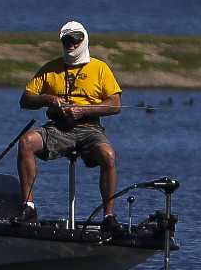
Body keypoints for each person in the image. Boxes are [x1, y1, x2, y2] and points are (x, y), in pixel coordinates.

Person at [16, 19, 122, 224]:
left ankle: (109, 216)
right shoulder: (50, 68)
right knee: (26, 142)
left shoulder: (100, 68)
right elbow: (26, 99)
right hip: (58, 128)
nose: (71, 44)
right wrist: (49, 100)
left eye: (75, 40)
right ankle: (28, 207)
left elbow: (115, 104)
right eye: (66, 41)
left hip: (89, 128)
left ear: (84, 40)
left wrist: (83, 110)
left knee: (108, 155)